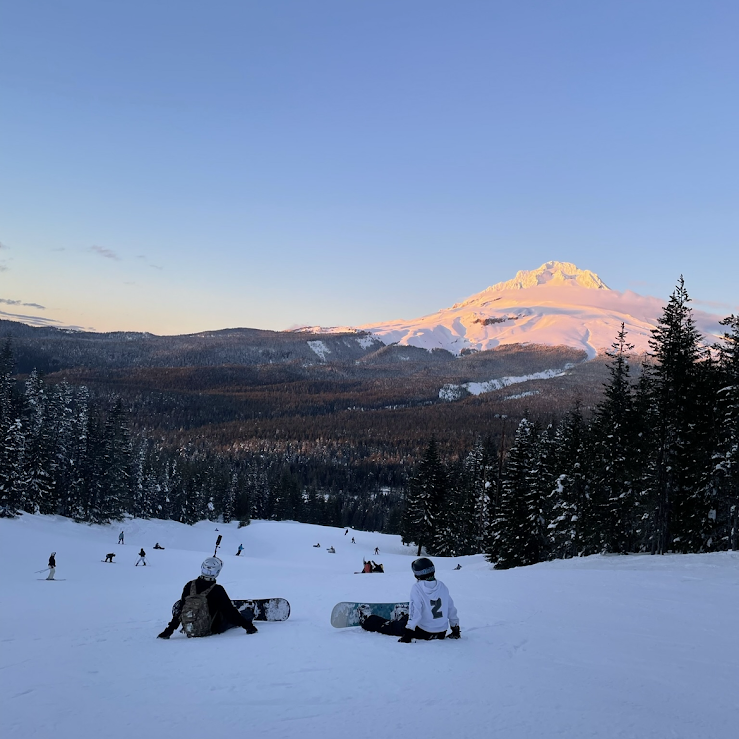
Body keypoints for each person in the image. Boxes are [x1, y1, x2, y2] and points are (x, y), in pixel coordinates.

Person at [360, 557, 460, 642]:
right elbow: (451, 609)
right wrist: (455, 628)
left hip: (422, 632)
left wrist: (408, 634)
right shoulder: (442, 586)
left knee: (388, 627)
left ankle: (367, 620)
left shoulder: (417, 588)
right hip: (441, 633)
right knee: (414, 617)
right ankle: (404, 616)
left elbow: (416, 611)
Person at [157, 557, 258, 639]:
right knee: (236, 614)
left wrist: (168, 631)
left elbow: (180, 609)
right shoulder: (218, 590)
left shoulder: (189, 585)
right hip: (213, 628)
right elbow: (230, 613)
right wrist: (248, 627)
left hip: (190, 628)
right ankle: (249, 612)